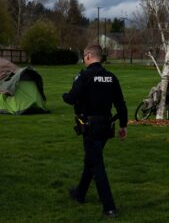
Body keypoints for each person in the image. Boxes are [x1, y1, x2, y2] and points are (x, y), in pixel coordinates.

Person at [62, 44, 128, 217]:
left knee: (97, 165)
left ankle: (109, 207)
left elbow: (71, 98)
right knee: (91, 160)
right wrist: (123, 125)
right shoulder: (111, 77)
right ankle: (79, 194)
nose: (83, 60)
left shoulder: (84, 76)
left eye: (84, 57)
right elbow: (121, 104)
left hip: (90, 127)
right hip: (106, 126)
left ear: (89, 56)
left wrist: (64, 96)